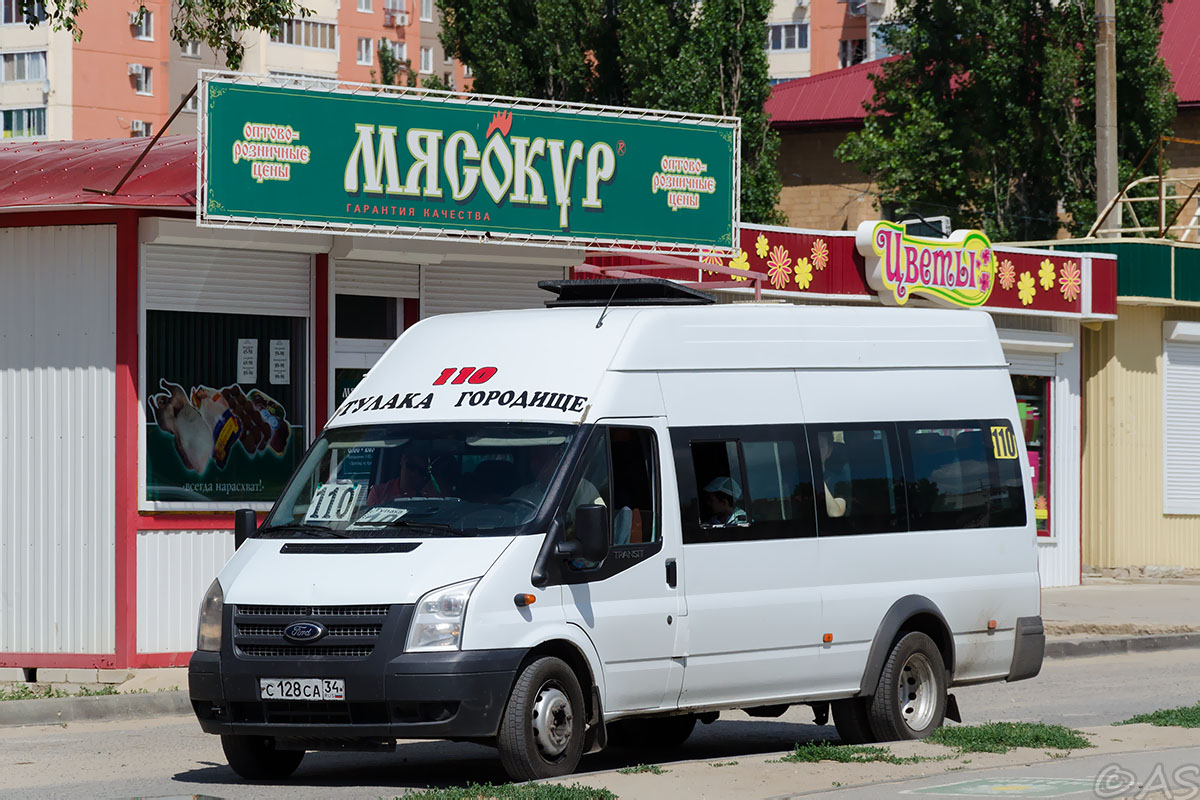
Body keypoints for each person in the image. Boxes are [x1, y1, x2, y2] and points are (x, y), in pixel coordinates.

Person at [366, 445, 437, 505]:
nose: (414, 474)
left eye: (421, 471)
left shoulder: (430, 496)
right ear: (402, 460)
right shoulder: (378, 493)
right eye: (411, 466)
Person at [818, 431, 850, 518]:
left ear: (829, 451)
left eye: (820, 446)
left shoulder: (839, 481)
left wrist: (817, 476)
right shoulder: (798, 479)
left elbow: (835, 513)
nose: (815, 451)